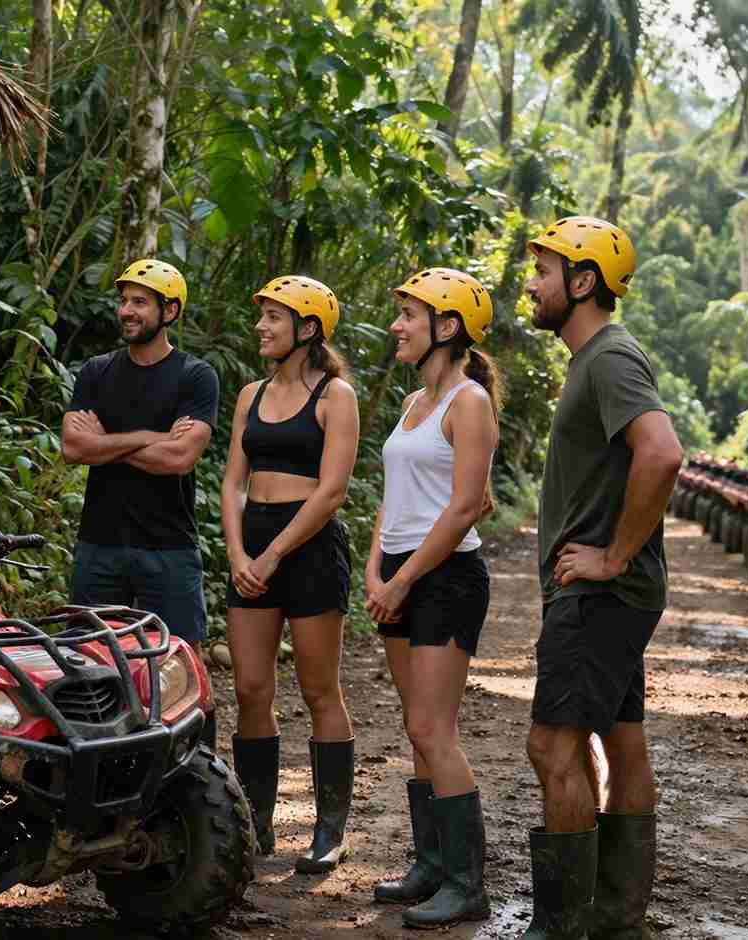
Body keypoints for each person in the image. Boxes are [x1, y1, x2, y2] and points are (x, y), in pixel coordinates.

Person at [520, 217, 684, 940]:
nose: (532, 284)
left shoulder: (610, 357)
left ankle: (564, 926)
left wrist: (611, 557)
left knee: (551, 747)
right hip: (608, 594)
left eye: (543, 271)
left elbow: (662, 453)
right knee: (620, 742)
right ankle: (613, 920)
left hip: (600, 594)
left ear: (583, 281)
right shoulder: (593, 359)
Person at [365, 268, 499, 928]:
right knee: (414, 724)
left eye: (408, 315)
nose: (396, 326)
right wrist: (375, 571)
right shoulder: (412, 401)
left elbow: (465, 506)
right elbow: (392, 501)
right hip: (399, 571)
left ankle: (467, 882)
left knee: (431, 728)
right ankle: (431, 864)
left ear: (446, 327)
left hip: (445, 577)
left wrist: (401, 580)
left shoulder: (468, 403)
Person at [221, 275, 360, 872]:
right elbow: (233, 482)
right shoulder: (250, 394)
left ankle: (330, 830)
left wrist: (274, 553)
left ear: (307, 328)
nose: (261, 327)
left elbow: (332, 491)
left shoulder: (335, 396)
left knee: (318, 689)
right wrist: (237, 554)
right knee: (250, 689)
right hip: (252, 544)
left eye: (273, 317)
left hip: (307, 547)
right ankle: (257, 822)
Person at [60, 259, 220, 739]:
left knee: (183, 670)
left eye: (140, 302)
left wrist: (106, 442)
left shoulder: (195, 376)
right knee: (85, 663)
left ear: (169, 311)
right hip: (99, 545)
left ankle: (199, 770)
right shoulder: (97, 372)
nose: (126, 311)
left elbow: (180, 458)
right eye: (124, 301)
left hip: (168, 547)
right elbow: (73, 448)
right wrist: (152, 436)